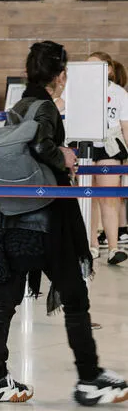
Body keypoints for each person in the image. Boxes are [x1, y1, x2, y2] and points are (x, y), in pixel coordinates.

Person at [0, 41, 128, 406]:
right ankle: (90, 379)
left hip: (9, 217)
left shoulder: (17, 107)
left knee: (4, 300)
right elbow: (43, 147)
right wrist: (65, 155)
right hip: (47, 221)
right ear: (60, 76)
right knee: (75, 298)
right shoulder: (45, 108)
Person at [86, 52, 128, 265]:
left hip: (110, 147)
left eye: (98, 66)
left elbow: (125, 127)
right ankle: (91, 245)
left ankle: (113, 248)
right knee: (88, 198)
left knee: (109, 198)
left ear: (109, 69)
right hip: (84, 146)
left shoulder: (119, 93)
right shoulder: (79, 90)